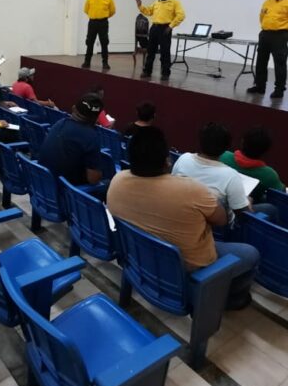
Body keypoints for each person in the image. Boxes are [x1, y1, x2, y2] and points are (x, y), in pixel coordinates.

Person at [107, 127, 259, 309]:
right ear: (166, 162)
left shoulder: (117, 181)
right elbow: (222, 220)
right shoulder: (192, 190)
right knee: (251, 254)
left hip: (137, 254)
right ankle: (230, 299)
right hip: (188, 265)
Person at [37, 92, 107, 186]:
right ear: (96, 119)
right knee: (107, 184)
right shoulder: (91, 137)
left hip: (42, 184)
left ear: (74, 108)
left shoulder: (60, 123)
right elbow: (93, 180)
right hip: (65, 194)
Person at [248, 0, 288, 99]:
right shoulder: (268, 1)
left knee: (280, 63)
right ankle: (259, 86)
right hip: (265, 34)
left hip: (280, 35)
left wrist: (285, 33)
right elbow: (262, 16)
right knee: (261, 61)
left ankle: (279, 89)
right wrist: (266, 28)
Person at [220, 126, 285, 204]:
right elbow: (282, 193)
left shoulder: (222, 156)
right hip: (244, 210)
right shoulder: (269, 174)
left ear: (242, 142)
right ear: (265, 150)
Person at [135, 0, 185, 80]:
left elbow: (181, 15)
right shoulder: (157, 2)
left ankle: (165, 73)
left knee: (165, 52)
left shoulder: (175, 2)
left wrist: (170, 26)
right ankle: (147, 71)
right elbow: (149, 11)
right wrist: (140, 6)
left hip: (165, 29)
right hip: (154, 28)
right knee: (151, 51)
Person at [82, 0, 116, 70]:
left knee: (104, 43)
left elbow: (112, 11)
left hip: (103, 23)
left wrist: (104, 16)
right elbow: (86, 10)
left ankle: (105, 63)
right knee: (89, 42)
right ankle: (87, 61)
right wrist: (94, 16)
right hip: (92, 23)